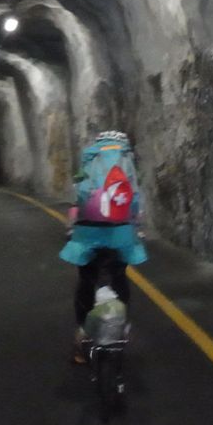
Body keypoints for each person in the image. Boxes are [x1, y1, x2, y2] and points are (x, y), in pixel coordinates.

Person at [59, 130, 148, 362]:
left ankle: (82, 336)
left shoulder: (89, 158)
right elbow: (134, 198)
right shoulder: (126, 160)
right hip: (120, 232)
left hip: (87, 231)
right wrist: (136, 228)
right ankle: (122, 330)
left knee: (86, 280)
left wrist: (71, 228)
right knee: (118, 276)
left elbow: (77, 197)